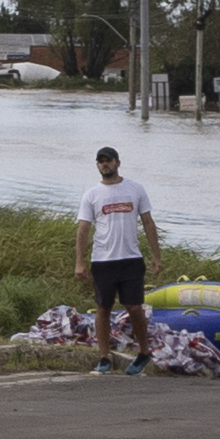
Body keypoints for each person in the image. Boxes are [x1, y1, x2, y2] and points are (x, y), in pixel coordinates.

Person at [77, 148, 157, 374]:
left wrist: (156, 257)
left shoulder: (135, 189)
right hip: (103, 260)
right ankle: (104, 358)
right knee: (103, 308)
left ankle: (143, 353)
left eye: (108, 161)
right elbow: (83, 229)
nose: (105, 165)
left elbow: (148, 223)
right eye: (101, 162)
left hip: (131, 258)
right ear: (97, 166)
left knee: (134, 307)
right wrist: (79, 262)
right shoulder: (91, 195)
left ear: (117, 163)